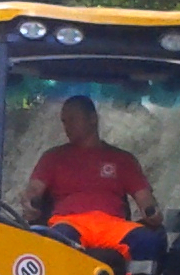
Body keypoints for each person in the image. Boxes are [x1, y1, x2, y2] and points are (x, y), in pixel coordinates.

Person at [20, 95, 159, 229]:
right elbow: (34, 189)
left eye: (72, 119)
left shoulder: (122, 160)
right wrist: (30, 202)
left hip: (113, 227)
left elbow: (144, 197)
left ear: (93, 119)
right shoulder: (52, 158)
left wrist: (151, 211)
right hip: (68, 225)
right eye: (64, 121)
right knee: (59, 238)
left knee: (146, 241)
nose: (67, 126)